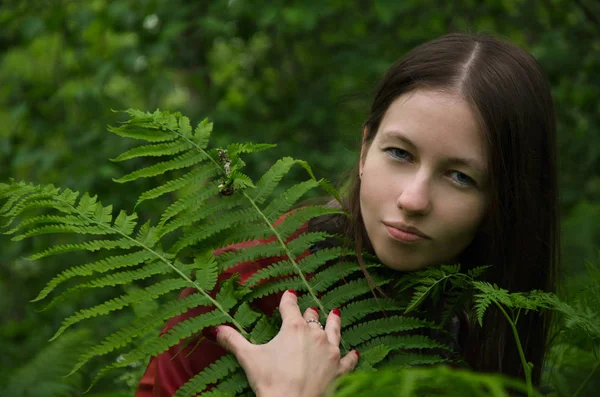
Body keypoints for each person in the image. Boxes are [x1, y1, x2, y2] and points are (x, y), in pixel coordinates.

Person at [136, 32, 559, 397]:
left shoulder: (490, 328)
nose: (413, 199)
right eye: (399, 153)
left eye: (460, 177)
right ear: (364, 150)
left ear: (504, 201)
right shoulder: (234, 293)